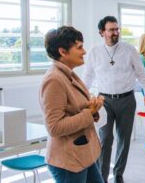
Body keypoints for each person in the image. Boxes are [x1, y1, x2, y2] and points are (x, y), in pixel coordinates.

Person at [83, 16, 145, 183]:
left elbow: (141, 73)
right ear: (102, 32)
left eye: (117, 29)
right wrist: (83, 97)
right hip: (103, 102)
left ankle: (118, 174)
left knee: (124, 139)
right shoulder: (95, 52)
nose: (115, 32)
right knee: (105, 139)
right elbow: (88, 76)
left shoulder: (129, 50)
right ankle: (102, 177)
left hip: (127, 100)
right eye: (111, 30)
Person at [40, 26, 104, 182]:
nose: (84, 51)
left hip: (82, 154)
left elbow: (75, 109)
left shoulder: (68, 73)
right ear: (63, 51)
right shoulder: (54, 80)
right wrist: (89, 113)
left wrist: (93, 109)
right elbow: (55, 127)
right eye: (79, 47)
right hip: (68, 160)